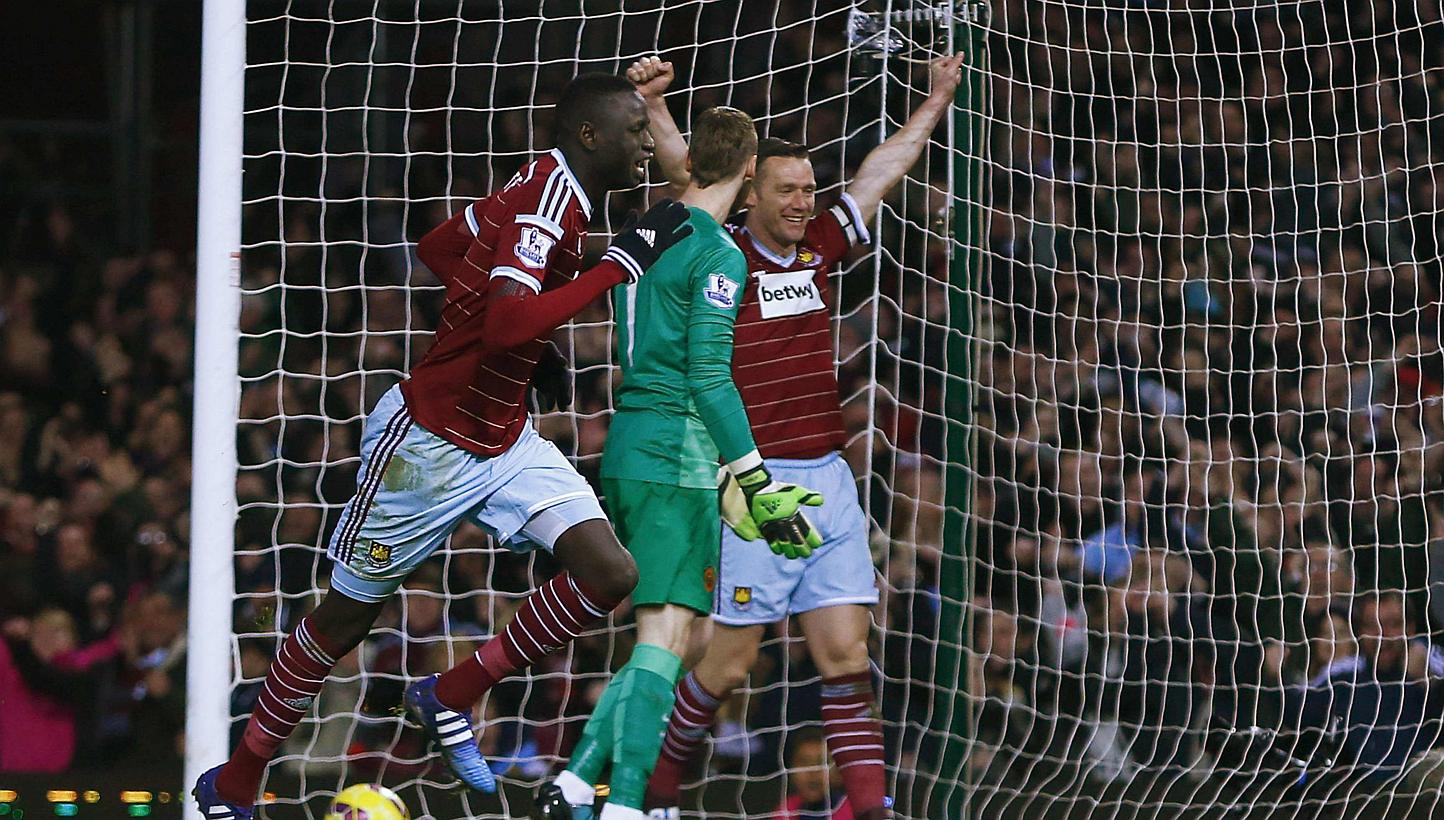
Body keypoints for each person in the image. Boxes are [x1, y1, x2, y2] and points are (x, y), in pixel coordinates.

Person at [193, 73, 697, 820]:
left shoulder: (545, 184)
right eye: (635, 131)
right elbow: (500, 324)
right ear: (591, 136)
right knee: (343, 620)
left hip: (504, 438)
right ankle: (234, 782)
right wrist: (616, 266)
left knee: (608, 571)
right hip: (427, 444)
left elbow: (442, 247)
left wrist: (538, 349)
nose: (646, 147)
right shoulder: (549, 200)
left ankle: (451, 691)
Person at [625, 53, 963, 820]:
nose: (804, 201)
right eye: (788, 189)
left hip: (831, 480)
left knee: (846, 655)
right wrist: (653, 107)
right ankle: (657, 789)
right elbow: (688, 172)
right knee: (730, 665)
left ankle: (869, 810)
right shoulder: (720, 251)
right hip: (754, 485)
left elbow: (882, 171)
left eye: (810, 189)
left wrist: (937, 97)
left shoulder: (819, 251)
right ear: (750, 193)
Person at [533, 105, 826, 820]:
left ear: (690, 160)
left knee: (679, 637)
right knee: (667, 638)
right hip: (675, 451)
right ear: (751, 173)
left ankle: (576, 780)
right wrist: (754, 478)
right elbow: (709, 377)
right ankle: (626, 804)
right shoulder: (722, 254)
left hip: (631, 441)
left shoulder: (649, 227)